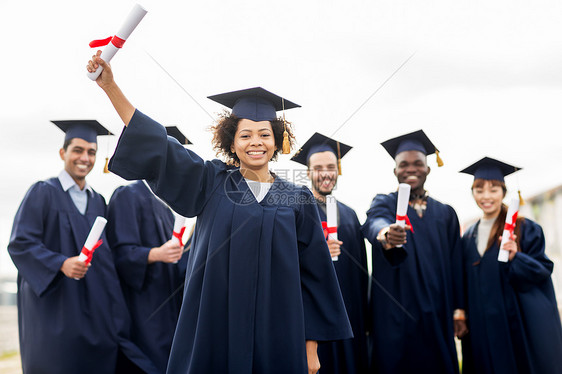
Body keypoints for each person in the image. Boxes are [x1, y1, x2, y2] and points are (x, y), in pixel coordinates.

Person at [87, 51, 352, 374]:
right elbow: (160, 146)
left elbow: (316, 278)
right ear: (232, 141)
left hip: (279, 333)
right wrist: (111, 88)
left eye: (265, 134)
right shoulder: (210, 181)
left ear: (277, 141)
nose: (256, 142)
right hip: (216, 328)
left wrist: (311, 350)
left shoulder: (297, 198)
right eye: (246, 135)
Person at [7, 120, 157, 374]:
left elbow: (107, 259)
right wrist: (61, 263)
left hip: (93, 310)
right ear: (63, 153)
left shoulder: (98, 200)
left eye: (91, 152)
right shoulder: (42, 192)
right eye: (78, 150)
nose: (85, 158)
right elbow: (21, 244)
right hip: (56, 309)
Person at [361, 130, 466, 374]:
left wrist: (458, 310)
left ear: (428, 169)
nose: (411, 169)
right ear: (395, 170)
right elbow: (373, 223)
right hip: (395, 312)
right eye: (404, 164)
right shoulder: (384, 203)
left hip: (437, 311)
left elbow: (456, 263)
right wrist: (386, 234)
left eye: (418, 164)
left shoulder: (445, 213)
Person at [459, 157, 562, 374]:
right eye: (479, 189)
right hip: (482, 324)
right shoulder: (468, 235)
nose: (486, 196)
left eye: (493, 189)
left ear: (504, 192)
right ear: (473, 193)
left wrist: (517, 256)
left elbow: (542, 269)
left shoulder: (524, 228)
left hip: (514, 322)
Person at [105, 126, 192, 373]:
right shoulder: (128, 195)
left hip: (168, 306)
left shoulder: (166, 206)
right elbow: (118, 254)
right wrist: (156, 254)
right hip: (142, 308)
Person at [291, 132, 369, 374]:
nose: (325, 173)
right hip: (314, 320)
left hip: (350, 314)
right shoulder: (296, 211)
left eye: (331, 167)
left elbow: (361, 272)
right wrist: (318, 252)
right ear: (308, 172)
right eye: (318, 168)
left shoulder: (349, 214)